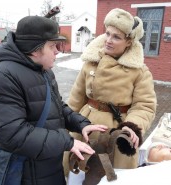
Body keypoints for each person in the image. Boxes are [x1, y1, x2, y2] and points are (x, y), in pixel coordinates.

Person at [0, 16, 108, 185]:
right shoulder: (4, 77)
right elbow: (12, 134)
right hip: (25, 174)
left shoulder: (43, 71)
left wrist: (81, 124)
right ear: (35, 50)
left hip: (49, 167)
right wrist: (67, 142)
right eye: (52, 46)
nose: (57, 51)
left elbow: (57, 107)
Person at [64, 8, 157, 173]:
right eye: (107, 34)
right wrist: (63, 127)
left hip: (117, 133)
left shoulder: (139, 71)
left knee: (112, 176)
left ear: (129, 42)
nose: (108, 40)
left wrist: (132, 127)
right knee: (80, 173)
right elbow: (75, 99)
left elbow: (144, 105)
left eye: (116, 37)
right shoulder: (91, 63)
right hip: (85, 127)